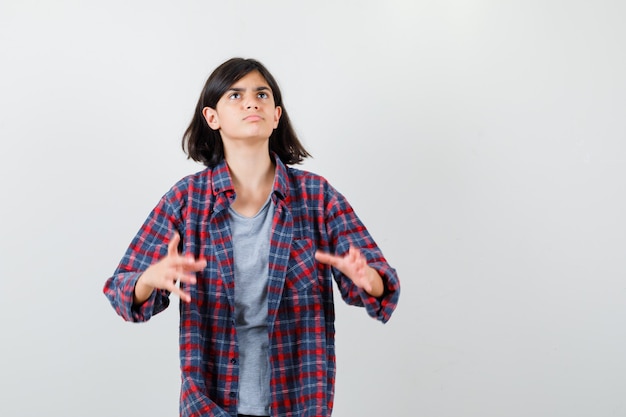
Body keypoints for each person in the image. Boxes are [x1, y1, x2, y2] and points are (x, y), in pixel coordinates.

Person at [103, 57, 400, 417]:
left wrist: (369, 279)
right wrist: (149, 280)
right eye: (235, 95)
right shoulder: (185, 200)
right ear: (212, 118)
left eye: (262, 94)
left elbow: (383, 287)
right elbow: (121, 291)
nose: (250, 102)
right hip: (209, 404)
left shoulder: (318, 197)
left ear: (276, 115)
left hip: (299, 401)